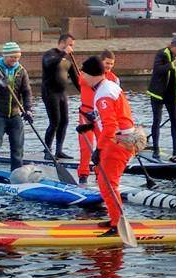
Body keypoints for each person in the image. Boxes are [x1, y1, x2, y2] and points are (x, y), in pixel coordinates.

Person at [78, 56, 145, 237]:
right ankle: (115, 219)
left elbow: (110, 127)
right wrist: (90, 126)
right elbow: (112, 118)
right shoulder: (109, 86)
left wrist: (98, 150)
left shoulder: (103, 94)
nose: (82, 77)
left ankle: (118, 225)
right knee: (103, 181)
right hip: (120, 139)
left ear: (91, 74)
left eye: (83, 73)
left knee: (108, 184)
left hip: (118, 142)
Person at [0, 42, 33, 180]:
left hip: (15, 114)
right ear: (5, 56)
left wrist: (28, 109)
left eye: (17, 57)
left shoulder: (21, 71)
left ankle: (16, 177)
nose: (15, 60)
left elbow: (26, 92)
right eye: (12, 57)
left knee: (17, 149)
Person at [77, 49, 120, 184]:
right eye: (107, 63)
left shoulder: (114, 79)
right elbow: (82, 81)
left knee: (104, 146)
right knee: (86, 146)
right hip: (86, 114)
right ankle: (83, 174)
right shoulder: (86, 75)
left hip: (101, 116)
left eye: (111, 64)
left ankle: (100, 173)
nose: (109, 66)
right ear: (101, 63)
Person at [146, 34, 176, 160]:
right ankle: (156, 148)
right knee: (157, 120)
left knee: (175, 121)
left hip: (172, 94)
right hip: (158, 93)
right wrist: (172, 64)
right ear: (171, 46)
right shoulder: (161, 54)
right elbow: (158, 70)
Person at [41, 33, 80, 160]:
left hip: (62, 93)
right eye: (69, 44)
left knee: (64, 121)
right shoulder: (50, 54)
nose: (71, 48)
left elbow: (76, 80)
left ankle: (59, 151)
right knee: (55, 122)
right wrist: (63, 53)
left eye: (72, 45)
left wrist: (86, 93)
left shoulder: (68, 60)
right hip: (50, 92)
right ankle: (47, 151)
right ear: (62, 43)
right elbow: (49, 64)